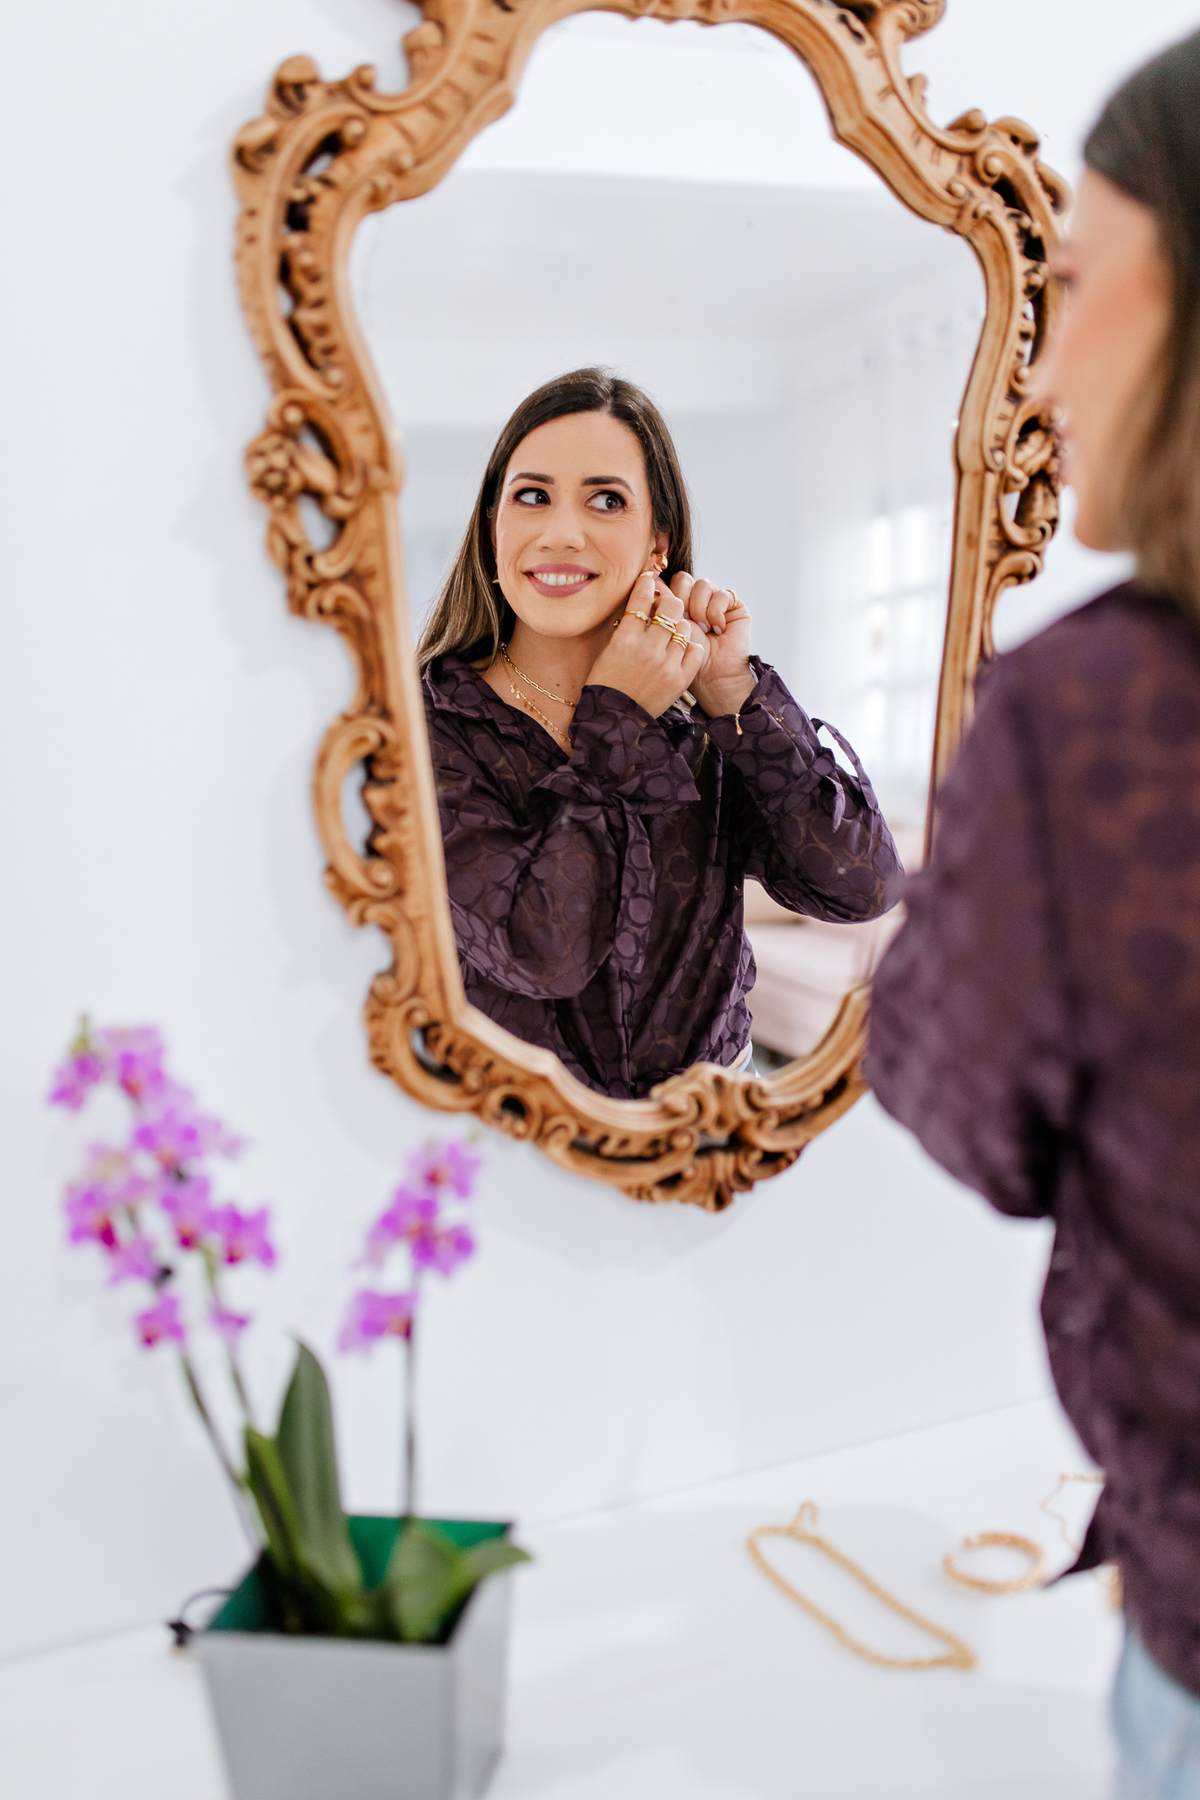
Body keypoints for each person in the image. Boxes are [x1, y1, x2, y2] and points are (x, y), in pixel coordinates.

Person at [867, 30, 1200, 1798]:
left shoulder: (1098, 715)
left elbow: (970, 1109)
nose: (1043, 366)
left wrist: (721, 719)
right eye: (536, 491)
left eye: (1072, 286)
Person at [418, 367, 899, 1099]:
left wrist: (734, 694)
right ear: (493, 529)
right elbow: (540, 950)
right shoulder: (430, 729)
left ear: (657, 544)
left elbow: (862, 884)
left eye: (606, 500)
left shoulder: (704, 726)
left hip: (709, 1144)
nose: (562, 532)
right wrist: (617, 720)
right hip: (514, 1143)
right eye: (532, 496)